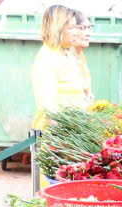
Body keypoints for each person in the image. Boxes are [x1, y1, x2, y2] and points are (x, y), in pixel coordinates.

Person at [30, 3, 91, 132]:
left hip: (73, 131)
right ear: (59, 28)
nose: (77, 32)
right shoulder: (47, 58)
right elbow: (49, 109)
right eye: (72, 28)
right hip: (56, 137)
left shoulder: (66, 54)